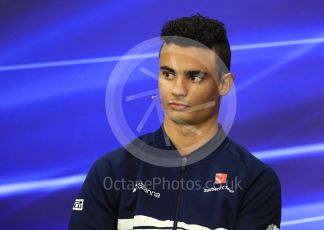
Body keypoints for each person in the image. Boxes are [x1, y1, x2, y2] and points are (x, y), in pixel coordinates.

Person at [69, 14, 281, 230]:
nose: (178, 90)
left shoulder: (256, 181)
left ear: (224, 84)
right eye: (168, 74)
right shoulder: (111, 172)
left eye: (194, 77)